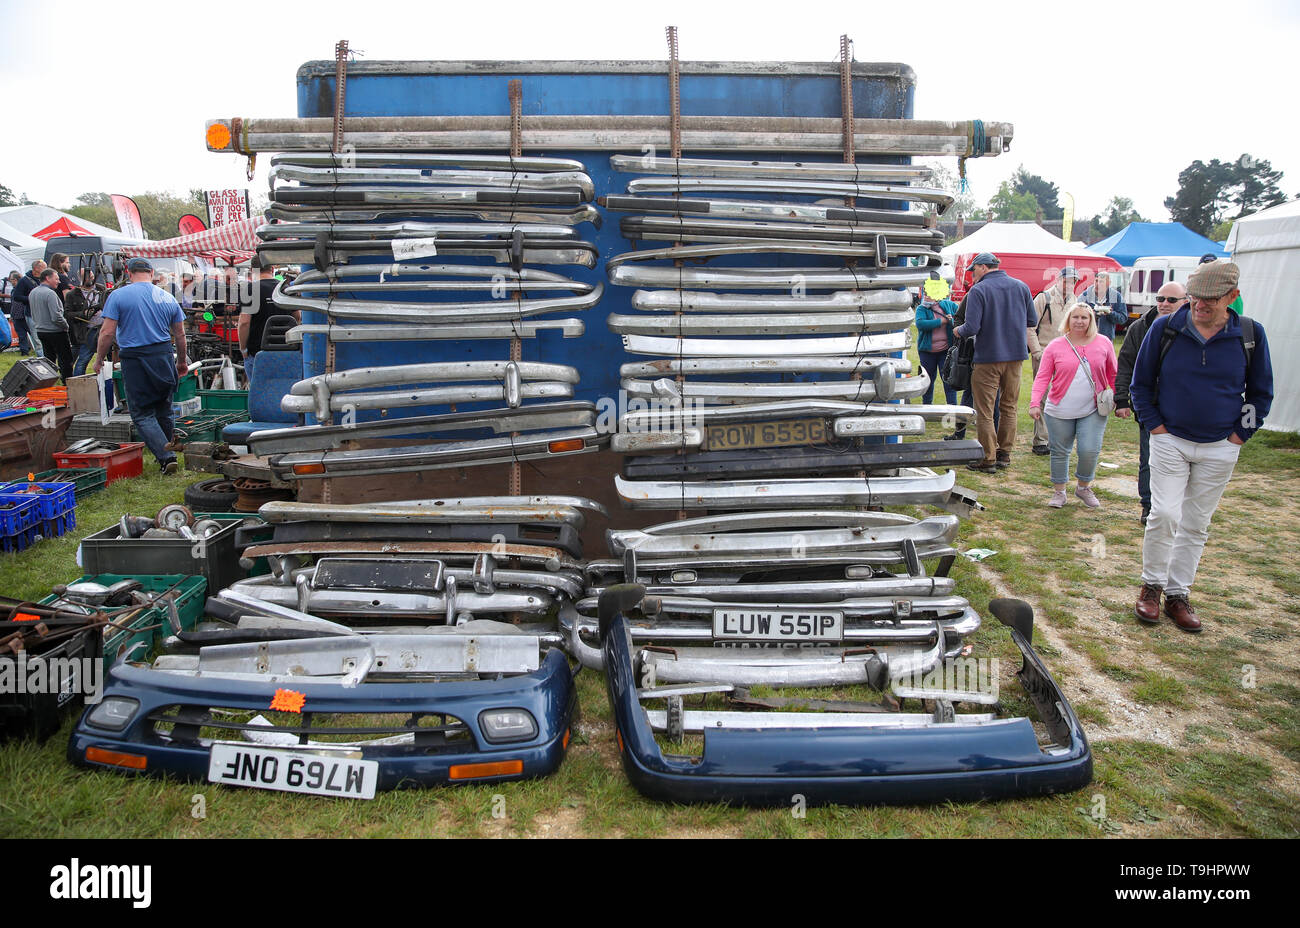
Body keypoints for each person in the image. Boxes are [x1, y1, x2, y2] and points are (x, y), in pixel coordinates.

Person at [1129, 261, 1272, 632]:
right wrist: (1157, 428)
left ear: (1232, 298)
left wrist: (1238, 438)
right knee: (1164, 515)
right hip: (1169, 439)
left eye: (1210, 299)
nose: (1200, 305)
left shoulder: (1249, 334)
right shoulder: (1166, 328)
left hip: (1220, 445)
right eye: (1195, 298)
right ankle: (1152, 587)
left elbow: (1260, 394)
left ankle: (1178, 594)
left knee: (1196, 523)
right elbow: (1140, 385)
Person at [94, 257, 188, 475]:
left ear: (128, 273)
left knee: (142, 413)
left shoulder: (118, 296)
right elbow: (180, 334)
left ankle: (166, 456)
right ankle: (167, 453)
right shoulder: (167, 297)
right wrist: (181, 361)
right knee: (164, 409)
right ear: (152, 272)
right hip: (164, 355)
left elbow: (107, 332)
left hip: (136, 358)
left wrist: (99, 359)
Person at [952, 252, 1037, 473]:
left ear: (982, 267)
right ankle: (1004, 454)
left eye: (974, 270)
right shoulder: (1021, 286)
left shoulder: (979, 290)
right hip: (1016, 357)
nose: (972, 275)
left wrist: (957, 330)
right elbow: (1032, 321)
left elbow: (971, 328)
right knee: (1009, 407)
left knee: (985, 409)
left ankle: (987, 458)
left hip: (988, 357)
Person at [1029, 303, 1118, 508]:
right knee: (1060, 451)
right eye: (1075, 317)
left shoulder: (1104, 343)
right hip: (1059, 409)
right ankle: (1059, 492)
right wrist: (1035, 403)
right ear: (1068, 320)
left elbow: (1113, 374)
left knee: (1089, 449)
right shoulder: (1055, 345)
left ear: (1091, 320)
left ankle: (1083, 487)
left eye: (1084, 318)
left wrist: (1118, 400)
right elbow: (1042, 377)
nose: (1079, 321)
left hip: (1093, 408)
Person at [1115, 281, 1186, 524]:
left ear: (1185, 301)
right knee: (1149, 457)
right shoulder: (1140, 326)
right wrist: (1121, 399)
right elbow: (1126, 364)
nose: (1164, 304)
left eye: (1171, 300)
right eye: (1160, 298)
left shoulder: (1193, 327)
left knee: (1183, 459)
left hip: (1185, 408)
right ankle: (1149, 506)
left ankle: (1177, 507)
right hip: (1150, 405)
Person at [1028, 268, 1079, 455]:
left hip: (1066, 356)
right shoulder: (1044, 298)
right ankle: (1040, 440)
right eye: (1066, 280)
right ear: (1058, 280)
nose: (1069, 285)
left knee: (1062, 396)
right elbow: (1030, 326)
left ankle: (1055, 438)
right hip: (1044, 353)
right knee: (1042, 397)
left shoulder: (1075, 300)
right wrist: (1037, 352)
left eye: (1073, 281)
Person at [914, 278, 960, 406]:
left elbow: (960, 319)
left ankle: (952, 408)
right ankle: (927, 406)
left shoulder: (950, 305)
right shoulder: (921, 309)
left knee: (948, 380)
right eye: (925, 292)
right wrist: (942, 321)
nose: (926, 296)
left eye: (929, 293)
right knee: (928, 380)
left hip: (946, 351)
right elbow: (921, 324)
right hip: (927, 352)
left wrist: (951, 321)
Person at [237, 257, 288, 360]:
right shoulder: (285, 288)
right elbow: (298, 317)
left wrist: (243, 349)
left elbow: (244, 323)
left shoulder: (250, 289)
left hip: (258, 351)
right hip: (285, 349)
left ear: (252, 270)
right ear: (272, 269)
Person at [30, 268, 75, 382]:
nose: (59, 281)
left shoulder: (33, 292)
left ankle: (48, 381)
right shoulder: (50, 294)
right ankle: (67, 382)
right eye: (56, 279)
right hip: (56, 331)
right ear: (47, 278)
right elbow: (56, 316)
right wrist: (66, 326)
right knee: (65, 359)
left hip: (41, 331)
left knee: (49, 360)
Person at [67, 268, 109, 377]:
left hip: (104, 328)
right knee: (84, 358)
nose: (90, 278)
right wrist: (84, 314)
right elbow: (68, 314)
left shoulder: (101, 289)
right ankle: (77, 382)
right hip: (89, 330)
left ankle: (111, 381)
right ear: (80, 279)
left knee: (111, 356)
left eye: (91, 276)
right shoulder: (73, 294)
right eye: (86, 277)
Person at [9, 259, 46, 357]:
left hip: (45, 313)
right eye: (43, 268)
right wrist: (31, 298)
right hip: (31, 313)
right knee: (36, 339)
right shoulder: (24, 281)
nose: (46, 270)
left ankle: (48, 359)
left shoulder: (44, 279)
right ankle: (42, 359)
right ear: (36, 269)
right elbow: (16, 296)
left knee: (45, 338)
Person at [1079, 270, 1129, 340]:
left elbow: (1123, 318)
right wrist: (1091, 315)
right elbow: (1077, 315)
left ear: (1108, 283)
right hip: (1087, 338)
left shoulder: (1116, 296)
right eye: (1096, 281)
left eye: (1101, 282)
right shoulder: (1085, 296)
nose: (1097, 284)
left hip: (1106, 339)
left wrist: (1110, 313)